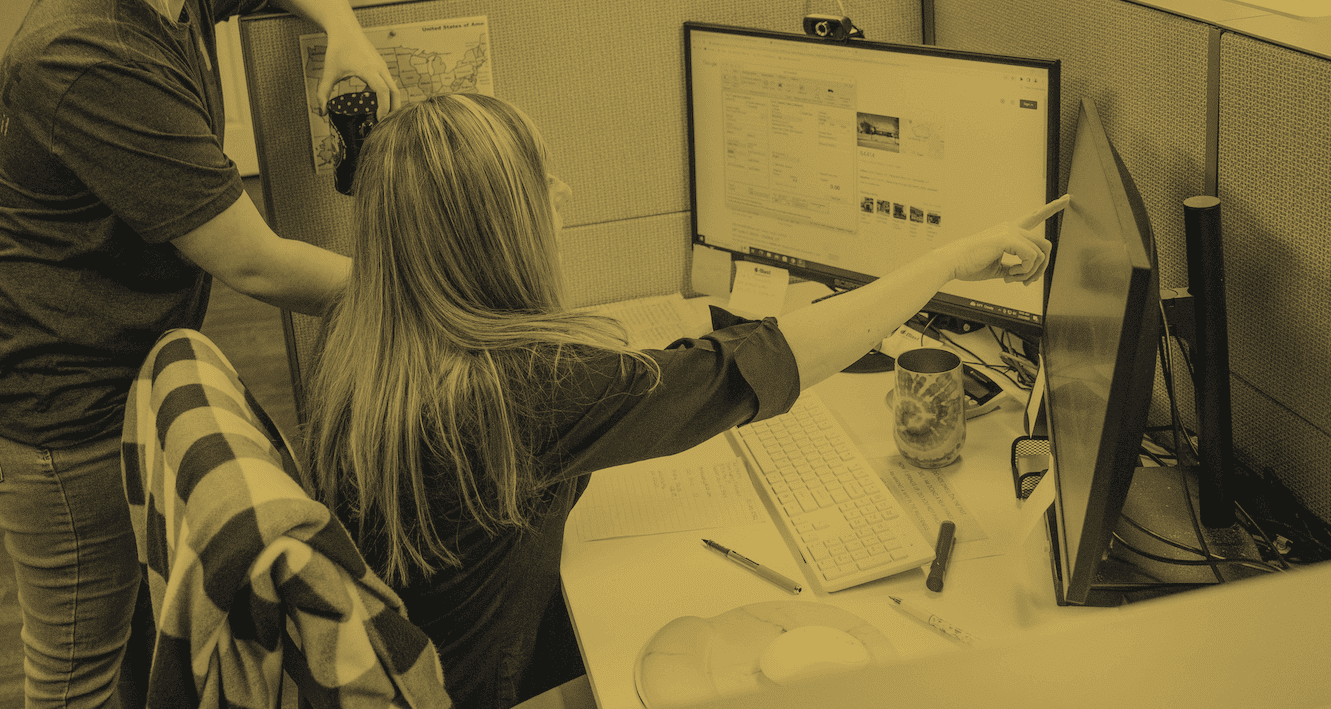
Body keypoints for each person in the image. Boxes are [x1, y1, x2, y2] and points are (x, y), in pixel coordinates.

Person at [301, 92, 1066, 709]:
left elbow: (651, 375)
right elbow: (763, 365)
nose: (563, 192)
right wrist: (945, 262)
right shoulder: (514, 393)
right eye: (541, 181)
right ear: (498, 231)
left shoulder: (366, 338)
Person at [0, 0, 398, 709]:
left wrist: (345, 35)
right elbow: (252, 259)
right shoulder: (87, 50)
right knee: (78, 665)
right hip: (39, 399)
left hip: (96, 362)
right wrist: (420, 287)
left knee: (140, 623)